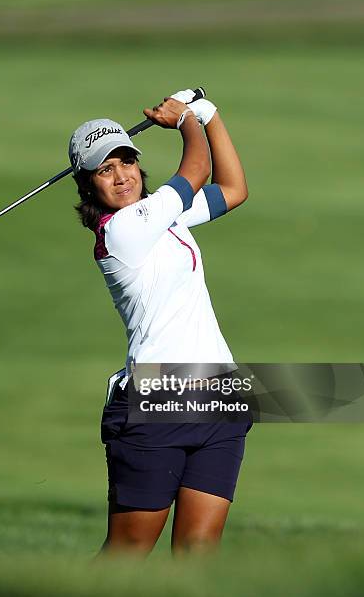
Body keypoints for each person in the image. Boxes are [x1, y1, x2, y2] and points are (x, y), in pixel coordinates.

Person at [69, 89, 250, 555]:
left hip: (219, 396)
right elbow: (196, 170)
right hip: (156, 404)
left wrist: (210, 115)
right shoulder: (121, 230)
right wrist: (186, 119)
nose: (121, 175)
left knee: (196, 555)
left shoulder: (163, 214)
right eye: (104, 169)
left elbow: (233, 189)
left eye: (125, 161)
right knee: (126, 556)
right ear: (88, 184)